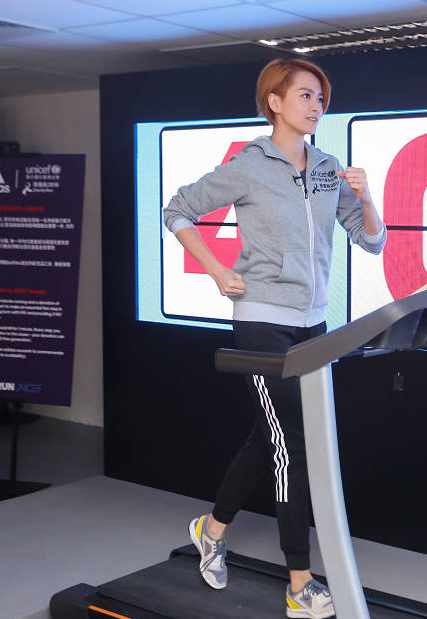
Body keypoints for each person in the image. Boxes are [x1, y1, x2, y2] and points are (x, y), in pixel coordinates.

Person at [163, 58, 385, 619]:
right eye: (306, 95)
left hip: (314, 324)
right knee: (292, 446)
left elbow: (371, 241)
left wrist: (366, 198)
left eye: (321, 98)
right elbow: (178, 210)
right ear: (275, 103)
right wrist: (217, 271)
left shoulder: (329, 169)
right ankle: (299, 583)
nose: (317, 106)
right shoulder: (248, 165)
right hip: (261, 319)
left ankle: (211, 529)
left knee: (273, 438)